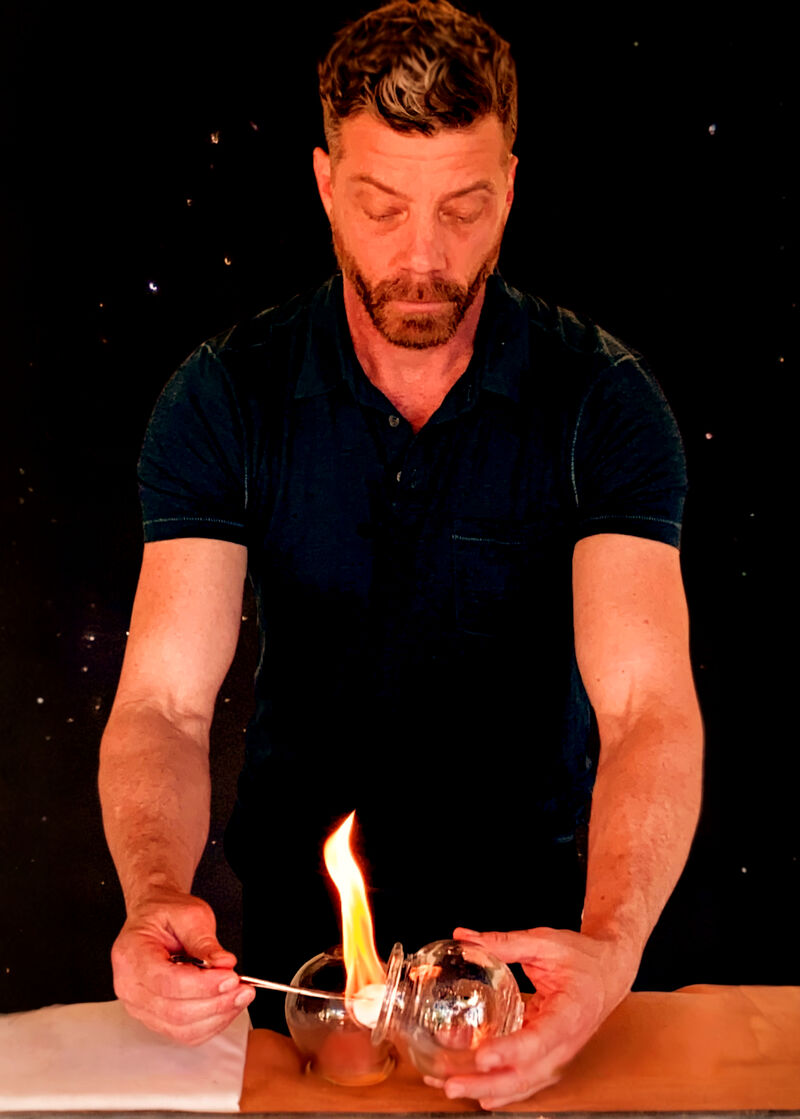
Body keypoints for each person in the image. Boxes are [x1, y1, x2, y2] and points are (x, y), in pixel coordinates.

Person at [98, 0, 703, 1106]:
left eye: (463, 209)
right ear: (325, 184)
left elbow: (647, 707)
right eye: (380, 208)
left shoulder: (602, 405)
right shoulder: (224, 398)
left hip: (544, 961)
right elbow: (165, 708)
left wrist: (610, 948)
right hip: (294, 971)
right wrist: (148, 897)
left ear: (510, 188)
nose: (421, 260)